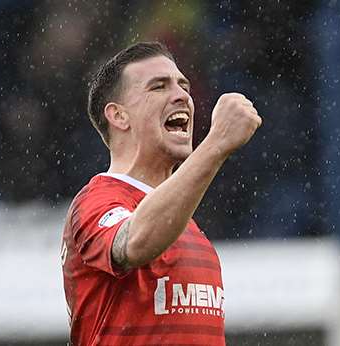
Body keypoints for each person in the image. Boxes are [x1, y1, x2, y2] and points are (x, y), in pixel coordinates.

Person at [61, 41, 262, 346]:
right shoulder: (97, 202)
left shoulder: (190, 231)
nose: (182, 96)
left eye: (184, 86)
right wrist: (216, 143)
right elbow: (134, 243)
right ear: (119, 116)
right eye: (159, 87)